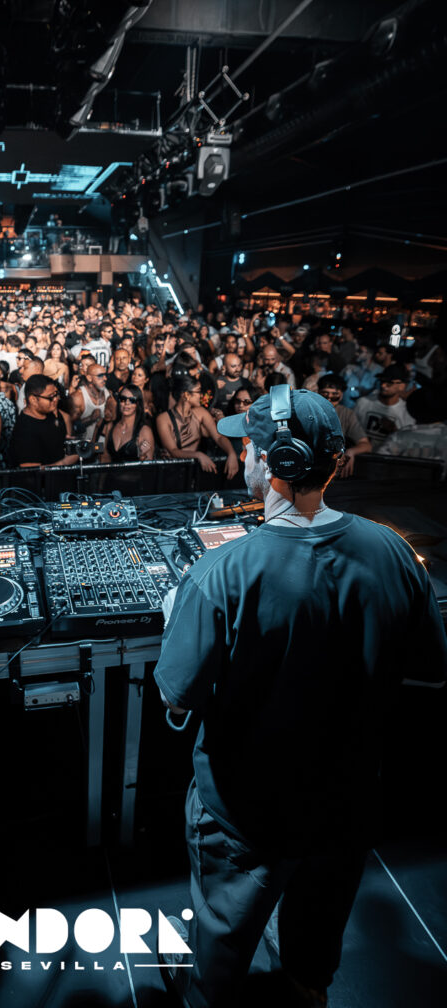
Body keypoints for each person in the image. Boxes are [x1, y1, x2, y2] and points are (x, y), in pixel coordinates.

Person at [154, 386, 447, 1008]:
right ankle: (304, 990)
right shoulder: (395, 552)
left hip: (244, 813)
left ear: (272, 461)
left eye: (248, 446)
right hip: (346, 799)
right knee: (315, 941)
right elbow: (430, 668)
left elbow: (177, 700)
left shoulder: (219, 574)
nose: (243, 454)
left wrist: (177, 617)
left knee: (221, 947)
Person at [156, 376, 239, 479]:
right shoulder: (163, 419)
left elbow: (219, 437)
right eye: (198, 391)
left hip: (195, 471)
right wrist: (198, 455)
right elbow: (173, 451)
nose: (201, 395)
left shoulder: (201, 413)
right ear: (186, 395)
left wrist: (231, 453)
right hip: (172, 473)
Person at [9, 374, 79, 467]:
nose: (56, 399)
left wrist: (64, 440)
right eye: (50, 397)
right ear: (33, 400)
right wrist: (65, 462)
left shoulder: (50, 414)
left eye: (56, 394)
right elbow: (31, 470)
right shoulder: (25, 431)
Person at [354, 363, 416, 449]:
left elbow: (408, 444)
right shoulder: (363, 402)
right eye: (382, 381)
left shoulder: (407, 412)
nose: (383, 385)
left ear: (402, 386)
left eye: (389, 383)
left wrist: (394, 430)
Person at [100, 386, 155, 463]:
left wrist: (142, 456)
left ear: (138, 404)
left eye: (132, 400)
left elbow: (148, 466)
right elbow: (105, 458)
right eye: (123, 399)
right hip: (110, 471)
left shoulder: (144, 431)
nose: (126, 403)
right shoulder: (110, 426)